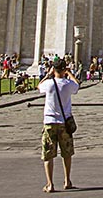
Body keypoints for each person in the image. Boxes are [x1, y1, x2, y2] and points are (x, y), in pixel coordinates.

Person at [38, 58, 78, 193]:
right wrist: (70, 74)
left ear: (54, 70)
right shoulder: (68, 84)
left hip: (49, 122)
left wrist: (48, 75)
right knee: (67, 153)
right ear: (65, 70)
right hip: (64, 123)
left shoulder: (48, 84)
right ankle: (67, 181)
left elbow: (39, 86)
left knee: (48, 154)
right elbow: (77, 85)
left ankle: (50, 184)